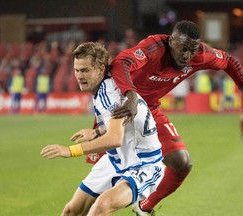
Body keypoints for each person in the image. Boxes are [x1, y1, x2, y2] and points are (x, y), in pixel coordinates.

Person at [106, 20, 243, 215]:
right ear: (172, 41)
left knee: (182, 163)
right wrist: (131, 95)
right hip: (118, 108)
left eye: (192, 50)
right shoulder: (155, 47)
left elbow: (229, 61)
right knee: (103, 178)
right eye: (183, 49)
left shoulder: (199, 55)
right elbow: (120, 62)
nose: (188, 56)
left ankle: (144, 207)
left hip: (150, 111)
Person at [40, 42, 164, 216]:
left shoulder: (109, 93)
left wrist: (70, 151)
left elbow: (114, 138)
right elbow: (119, 123)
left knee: (101, 207)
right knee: (72, 211)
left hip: (144, 165)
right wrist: (96, 132)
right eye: (77, 70)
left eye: (85, 70)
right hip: (116, 160)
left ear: (100, 69)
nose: (79, 76)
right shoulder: (102, 88)